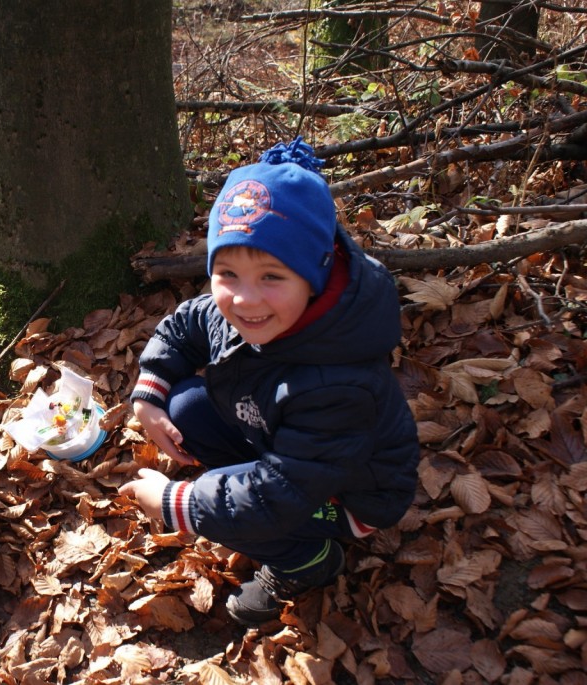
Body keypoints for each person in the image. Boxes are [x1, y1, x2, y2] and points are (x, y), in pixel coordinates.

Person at [119, 138, 419, 625]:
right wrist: (149, 394)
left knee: (222, 504)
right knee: (185, 404)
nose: (245, 299)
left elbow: (278, 495)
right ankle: (248, 500)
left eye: (273, 277)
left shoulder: (339, 383)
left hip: (346, 496)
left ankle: (307, 562)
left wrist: (180, 504)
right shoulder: (244, 311)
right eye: (227, 273)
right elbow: (184, 326)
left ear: (315, 275)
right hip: (284, 448)